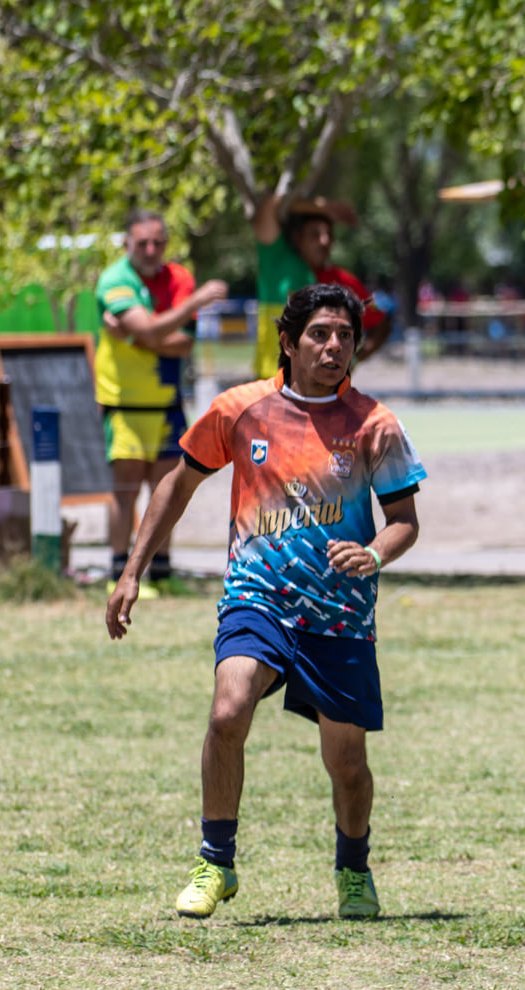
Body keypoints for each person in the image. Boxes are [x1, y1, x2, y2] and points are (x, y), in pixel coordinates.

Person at [106, 283, 427, 921]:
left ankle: (354, 867)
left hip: (339, 614)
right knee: (228, 712)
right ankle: (215, 862)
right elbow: (179, 482)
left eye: (345, 337)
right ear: (288, 340)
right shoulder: (241, 409)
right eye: (319, 334)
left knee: (348, 762)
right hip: (257, 598)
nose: (333, 346)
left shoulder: (375, 424)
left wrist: (375, 553)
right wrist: (132, 569)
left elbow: (404, 520)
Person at [94, 209, 227, 589]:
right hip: (124, 404)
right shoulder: (114, 279)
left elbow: (182, 342)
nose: (151, 250)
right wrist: (192, 304)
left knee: (168, 492)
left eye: (158, 242)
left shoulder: (179, 278)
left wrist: (139, 336)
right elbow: (153, 329)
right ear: (127, 244)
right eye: (142, 243)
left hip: (168, 404)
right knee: (126, 493)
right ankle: (118, 573)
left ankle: (163, 573)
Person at [252, 193, 391, 379]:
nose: (325, 241)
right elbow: (269, 204)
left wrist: (354, 359)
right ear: (296, 237)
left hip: (321, 394)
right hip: (271, 384)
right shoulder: (276, 262)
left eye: (329, 235)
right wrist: (324, 207)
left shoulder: (343, 282)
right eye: (315, 234)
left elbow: (381, 325)